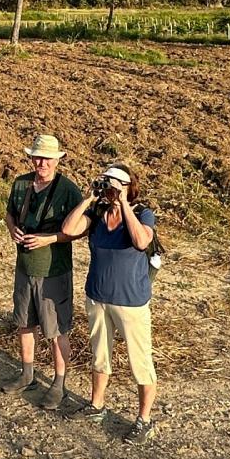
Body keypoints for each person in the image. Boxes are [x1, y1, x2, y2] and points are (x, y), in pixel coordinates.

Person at [62, 163, 159, 443]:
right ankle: (97, 405)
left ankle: (144, 419)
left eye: (115, 185)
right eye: (107, 184)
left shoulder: (143, 213)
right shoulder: (98, 212)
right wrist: (88, 198)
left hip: (130, 301)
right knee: (100, 355)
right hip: (98, 296)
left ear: (129, 188)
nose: (110, 191)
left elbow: (141, 242)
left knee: (139, 360)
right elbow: (68, 230)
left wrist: (125, 204)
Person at [1, 134, 83, 410]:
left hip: (53, 271)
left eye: (47, 158)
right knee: (25, 322)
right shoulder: (21, 183)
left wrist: (49, 239)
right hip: (25, 266)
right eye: (37, 157)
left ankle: (59, 384)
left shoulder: (69, 190)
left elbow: (79, 229)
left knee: (57, 329)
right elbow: (9, 213)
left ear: (57, 159)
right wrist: (13, 229)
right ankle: (27, 374)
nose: (41, 162)